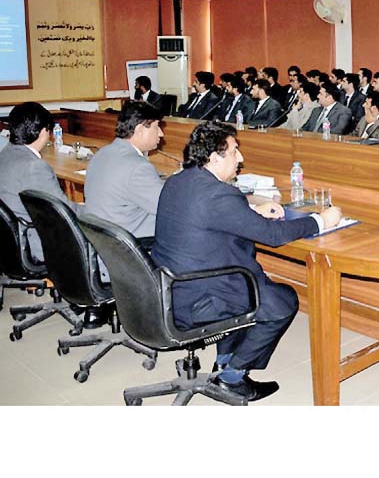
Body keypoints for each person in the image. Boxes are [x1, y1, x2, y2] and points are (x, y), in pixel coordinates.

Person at [151, 121, 342, 401]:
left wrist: (251, 210)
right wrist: (320, 221)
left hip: (171, 285)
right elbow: (274, 235)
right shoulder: (218, 194)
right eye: (234, 151)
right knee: (281, 302)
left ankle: (225, 360)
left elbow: (210, 214)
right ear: (215, 158)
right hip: (200, 296)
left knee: (250, 290)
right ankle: (232, 376)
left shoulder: (180, 180)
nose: (240, 158)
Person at [0, 103, 80, 262]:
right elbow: (64, 212)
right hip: (35, 243)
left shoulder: (5, 154)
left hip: (8, 243)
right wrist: (95, 210)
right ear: (44, 131)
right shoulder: (34, 166)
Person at [84, 101, 165, 239]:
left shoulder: (102, 153)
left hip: (103, 242)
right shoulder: (138, 168)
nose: (161, 134)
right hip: (132, 247)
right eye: (157, 127)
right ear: (140, 130)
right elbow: (169, 206)